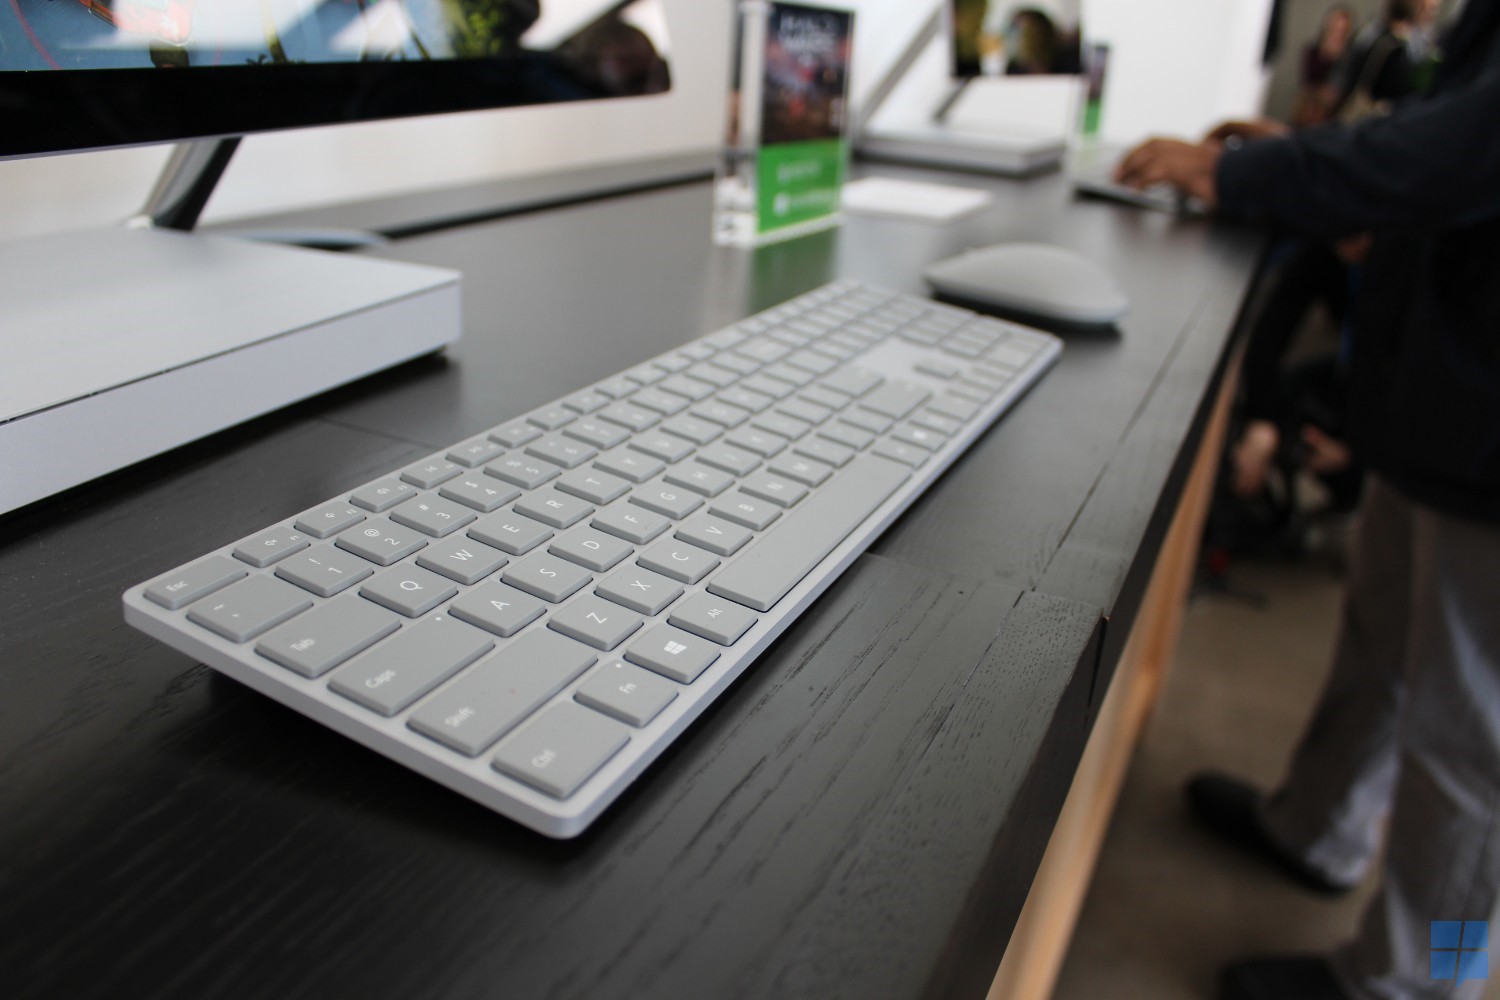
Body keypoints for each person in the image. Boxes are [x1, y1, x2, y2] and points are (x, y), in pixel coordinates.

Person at [1115, 1, 1500, 997]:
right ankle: (1318, 830)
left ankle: (1424, 981)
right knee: (1383, 646)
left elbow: (1465, 148)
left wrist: (1247, 171)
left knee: (1472, 750)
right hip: (1444, 415)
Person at [1293, 5, 1355, 127]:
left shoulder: (1349, 57)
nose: (1338, 34)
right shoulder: (1313, 51)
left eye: (1342, 30)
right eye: (1335, 28)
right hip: (1309, 106)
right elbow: (1307, 80)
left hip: (1333, 114)